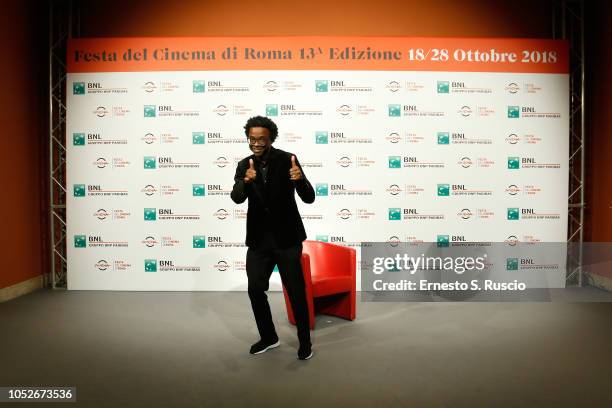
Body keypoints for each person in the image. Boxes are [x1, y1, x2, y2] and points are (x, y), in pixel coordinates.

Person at [230, 116, 315, 360]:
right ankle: (269, 337)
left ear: (271, 139)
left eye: (261, 139)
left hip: (287, 239)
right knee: (256, 289)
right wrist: (245, 182)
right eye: (252, 139)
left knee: (296, 292)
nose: (256, 143)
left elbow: (308, 198)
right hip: (258, 241)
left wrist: (301, 180)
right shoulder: (244, 165)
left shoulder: (288, 158)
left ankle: (305, 343)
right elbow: (236, 198)